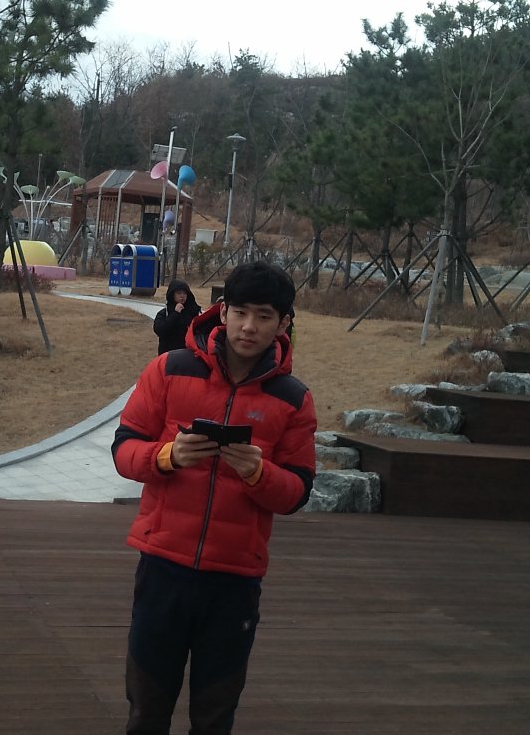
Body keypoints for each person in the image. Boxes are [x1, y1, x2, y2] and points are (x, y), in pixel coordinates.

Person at [113, 261, 317, 735]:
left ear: (283, 323)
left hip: (235, 580)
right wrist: (167, 456)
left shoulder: (293, 398)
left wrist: (258, 474)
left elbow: (297, 491)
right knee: (146, 710)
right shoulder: (170, 368)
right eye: (240, 312)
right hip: (163, 566)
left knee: (214, 716)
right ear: (222, 312)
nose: (249, 327)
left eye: (264, 316)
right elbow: (124, 449)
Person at [152, 279, 201, 354]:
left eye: (185, 293)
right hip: (169, 353)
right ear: (173, 295)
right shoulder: (164, 313)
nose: (182, 296)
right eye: (179, 293)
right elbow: (160, 331)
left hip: (188, 353)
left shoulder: (193, 312)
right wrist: (175, 314)